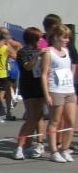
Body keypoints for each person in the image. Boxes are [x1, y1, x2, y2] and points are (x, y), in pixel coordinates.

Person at [40, 24, 75, 163]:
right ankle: (54, 151)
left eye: (68, 37)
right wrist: (47, 94)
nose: (67, 40)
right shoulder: (49, 53)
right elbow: (44, 75)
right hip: (56, 90)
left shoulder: (66, 51)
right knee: (55, 121)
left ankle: (65, 149)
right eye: (64, 37)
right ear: (55, 37)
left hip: (69, 89)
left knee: (70, 120)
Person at [12, 27, 46, 160]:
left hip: (40, 86)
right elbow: (27, 66)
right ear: (33, 39)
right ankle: (19, 147)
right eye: (39, 38)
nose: (41, 40)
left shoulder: (41, 50)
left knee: (39, 116)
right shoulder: (23, 52)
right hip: (28, 87)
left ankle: (38, 144)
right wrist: (37, 56)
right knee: (31, 117)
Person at [0, 27, 21, 121]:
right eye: (6, 34)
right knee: (0, 93)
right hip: (1, 71)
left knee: (7, 91)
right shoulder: (5, 45)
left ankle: (7, 112)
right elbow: (16, 54)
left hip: (3, 70)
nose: (8, 36)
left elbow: (18, 46)